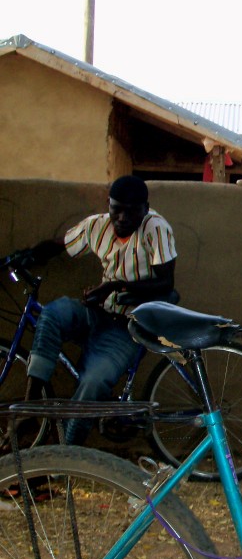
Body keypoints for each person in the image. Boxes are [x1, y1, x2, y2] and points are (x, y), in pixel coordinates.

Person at [19, 175, 177, 446]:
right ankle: (30, 406)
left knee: (93, 383)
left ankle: (68, 455)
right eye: (117, 209)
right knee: (53, 314)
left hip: (128, 326)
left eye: (132, 210)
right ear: (109, 204)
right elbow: (60, 245)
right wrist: (26, 255)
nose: (123, 217)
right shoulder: (97, 226)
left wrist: (115, 286)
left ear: (146, 207)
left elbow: (166, 281)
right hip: (96, 313)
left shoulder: (156, 228)